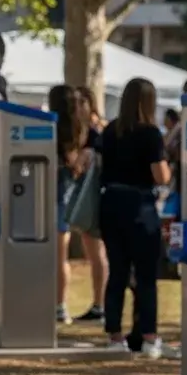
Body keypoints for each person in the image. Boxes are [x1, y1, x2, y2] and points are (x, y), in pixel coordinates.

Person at [99, 78, 172, 356]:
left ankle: (115, 336)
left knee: (117, 272)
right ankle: (149, 336)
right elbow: (160, 175)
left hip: (110, 203)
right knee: (145, 275)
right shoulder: (150, 133)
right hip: (140, 205)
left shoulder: (110, 130)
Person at [47, 85, 92, 324]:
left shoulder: (50, 130)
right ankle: (60, 305)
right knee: (60, 257)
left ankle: (54, 305)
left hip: (49, 197)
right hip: (66, 199)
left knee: (50, 256)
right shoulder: (79, 130)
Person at [71, 86, 108, 323]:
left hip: (94, 197)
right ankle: (99, 302)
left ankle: (100, 304)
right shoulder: (94, 129)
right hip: (96, 196)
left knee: (97, 253)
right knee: (94, 252)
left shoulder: (94, 132)